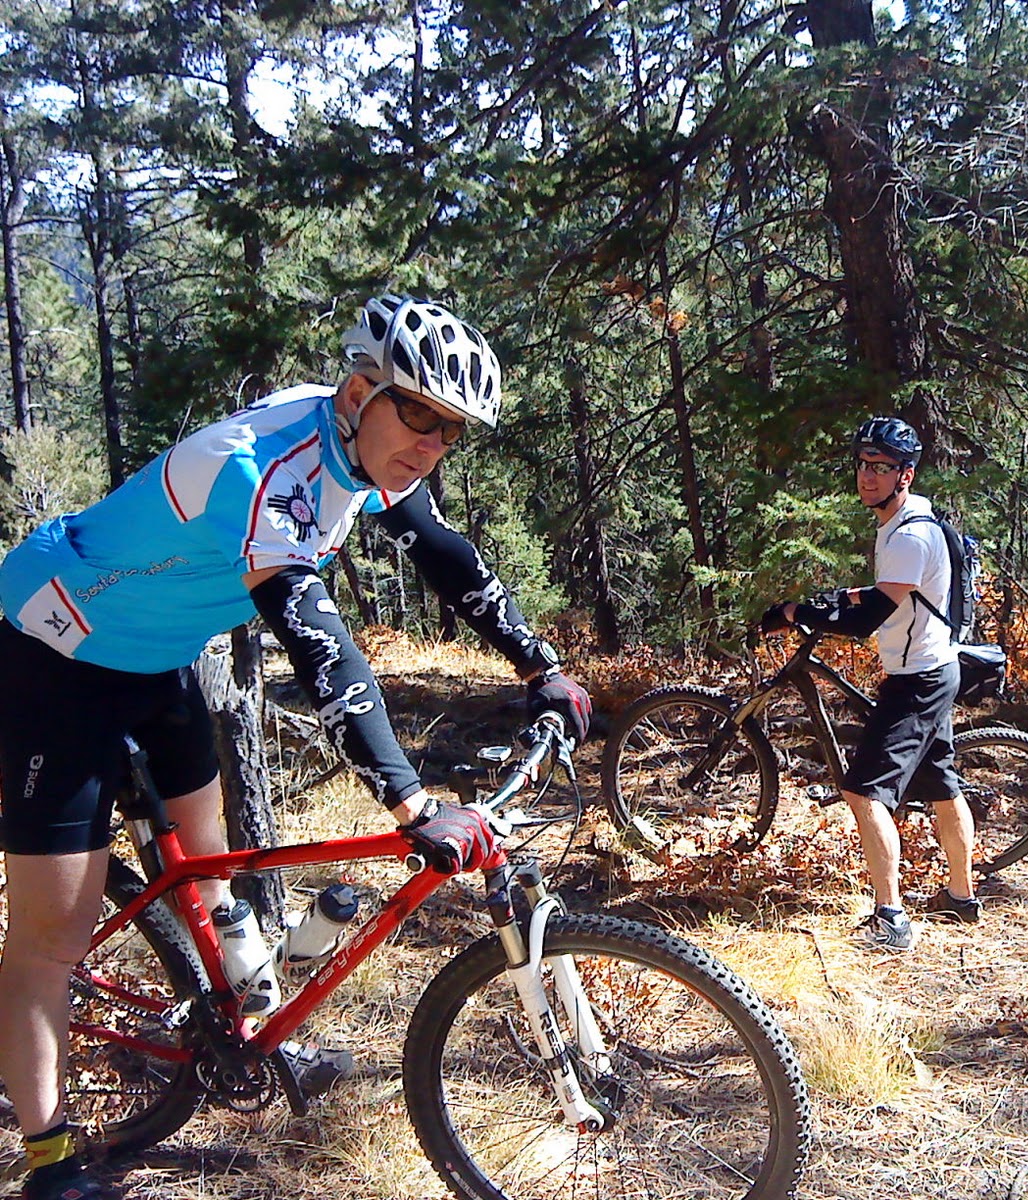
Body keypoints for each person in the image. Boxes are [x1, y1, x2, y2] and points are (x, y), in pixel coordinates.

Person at [0, 294, 592, 1200]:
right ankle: (47, 1155)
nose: (432, 446)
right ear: (360, 391)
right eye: (423, 418)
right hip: (53, 654)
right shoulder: (257, 469)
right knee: (51, 936)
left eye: (452, 433)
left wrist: (540, 664)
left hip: (157, 658)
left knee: (209, 866)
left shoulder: (371, 447)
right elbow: (321, 646)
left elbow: (443, 550)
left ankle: (243, 1025)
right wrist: (412, 801)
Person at [763, 416, 980, 952]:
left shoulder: (907, 536)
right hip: (934, 667)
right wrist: (834, 598)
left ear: (905, 474)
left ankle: (891, 917)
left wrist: (798, 613)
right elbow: (892, 591)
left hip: (918, 680)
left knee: (862, 791)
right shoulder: (910, 524)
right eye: (863, 465)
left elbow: (869, 620)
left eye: (881, 468)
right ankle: (960, 896)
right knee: (941, 784)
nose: (867, 476)